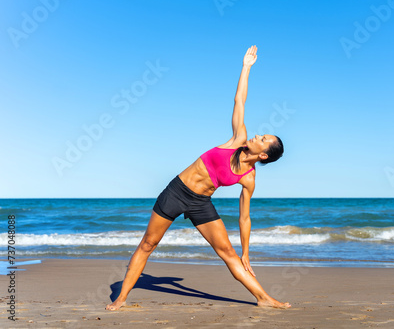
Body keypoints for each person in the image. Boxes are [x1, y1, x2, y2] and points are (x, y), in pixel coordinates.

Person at [105, 45, 290, 310]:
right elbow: (240, 101)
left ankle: (264, 299)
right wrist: (246, 68)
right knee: (148, 243)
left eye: (263, 140)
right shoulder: (237, 139)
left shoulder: (249, 178)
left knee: (227, 252)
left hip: (201, 202)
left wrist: (246, 251)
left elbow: (245, 217)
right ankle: (121, 298)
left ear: (264, 155)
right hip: (177, 191)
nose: (257, 136)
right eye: (261, 134)